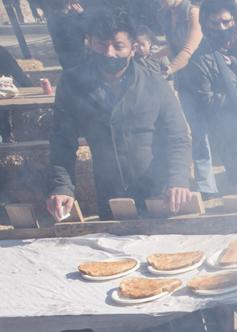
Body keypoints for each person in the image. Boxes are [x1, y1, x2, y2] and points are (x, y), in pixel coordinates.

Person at [47, 10, 192, 220]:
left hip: (158, 191)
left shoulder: (154, 83)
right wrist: (61, 186)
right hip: (110, 191)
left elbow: (178, 136)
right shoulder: (73, 83)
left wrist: (178, 178)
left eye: (118, 46)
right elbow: (62, 140)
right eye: (100, 44)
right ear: (89, 42)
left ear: (133, 48)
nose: (109, 53)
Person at [176, 0, 237, 201]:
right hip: (233, 131)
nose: (221, 28)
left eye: (226, 22)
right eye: (214, 23)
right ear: (204, 24)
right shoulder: (200, 60)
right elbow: (205, 101)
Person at [158, 0, 204, 75]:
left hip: (202, 71)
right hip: (182, 73)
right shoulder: (166, 14)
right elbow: (173, 47)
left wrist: (168, 70)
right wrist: (151, 57)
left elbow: (190, 50)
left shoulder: (193, 13)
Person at [45, 0, 88, 70]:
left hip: (62, 54)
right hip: (77, 53)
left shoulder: (51, 19)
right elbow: (86, 30)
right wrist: (82, 14)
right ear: (67, 4)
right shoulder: (73, 18)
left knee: (69, 73)